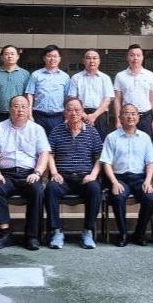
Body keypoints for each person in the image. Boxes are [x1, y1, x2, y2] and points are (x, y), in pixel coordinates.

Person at [0, 95, 49, 250]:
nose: (20, 110)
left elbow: (44, 154)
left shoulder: (37, 129)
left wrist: (37, 173)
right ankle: (6, 233)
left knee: (37, 190)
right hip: (5, 174)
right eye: (16, 106)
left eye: (23, 106)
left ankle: (32, 236)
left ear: (29, 110)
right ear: (10, 109)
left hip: (29, 174)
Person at [46, 98, 104, 249]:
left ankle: (88, 231)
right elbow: (49, 154)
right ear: (65, 113)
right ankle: (56, 231)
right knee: (51, 188)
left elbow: (100, 157)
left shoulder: (92, 132)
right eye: (70, 110)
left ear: (83, 112)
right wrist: (54, 173)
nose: (73, 113)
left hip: (85, 178)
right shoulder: (57, 131)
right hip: (63, 179)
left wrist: (93, 175)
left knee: (95, 189)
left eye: (77, 110)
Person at [100, 103, 153, 247]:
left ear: (138, 117)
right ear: (120, 117)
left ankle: (139, 234)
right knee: (118, 197)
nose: (130, 117)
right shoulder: (111, 137)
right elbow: (106, 163)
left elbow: (150, 163)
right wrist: (114, 182)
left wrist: (148, 181)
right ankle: (123, 234)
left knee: (150, 198)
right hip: (119, 178)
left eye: (133, 114)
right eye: (126, 113)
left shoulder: (145, 137)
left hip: (139, 178)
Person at [67, 48, 114, 140]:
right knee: (81, 142)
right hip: (80, 115)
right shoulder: (76, 78)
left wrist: (94, 115)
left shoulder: (105, 78)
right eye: (88, 58)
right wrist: (83, 115)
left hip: (100, 115)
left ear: (99, 61)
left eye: (94, 58)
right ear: (84, 61)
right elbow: (72, 99)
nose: (92, 61)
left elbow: (107, 99)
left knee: (100, 142)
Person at [113, 44, 153, 137]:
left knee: (145, 142)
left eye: (138, 55)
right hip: (127, 117)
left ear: (142, 58)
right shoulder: (120, 76)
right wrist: (118, 120)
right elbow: (117, 99)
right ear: (127, 57)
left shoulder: (149, 75)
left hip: (145, 116)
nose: (135, 58)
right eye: (132, 55)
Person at [26, 44, 71, 137]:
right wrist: (29, 115)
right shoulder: (35, 75)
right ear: (44, 58)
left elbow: (67, 98)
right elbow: (30, 94)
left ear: (59, 59)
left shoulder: (65, 77)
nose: (52, 59)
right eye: (49, 56)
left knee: (56, 142)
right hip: (39, 116)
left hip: (58, 117)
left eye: (55, 56)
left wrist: (67, 117)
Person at [0, 44, 31, 131]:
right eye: (6, 54)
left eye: (12, 54)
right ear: (2, 57)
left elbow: (27, 96)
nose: (9, 56)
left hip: (19, 113)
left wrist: (28, 113)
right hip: (0, 113)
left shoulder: (25, 74)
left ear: (17, 56)